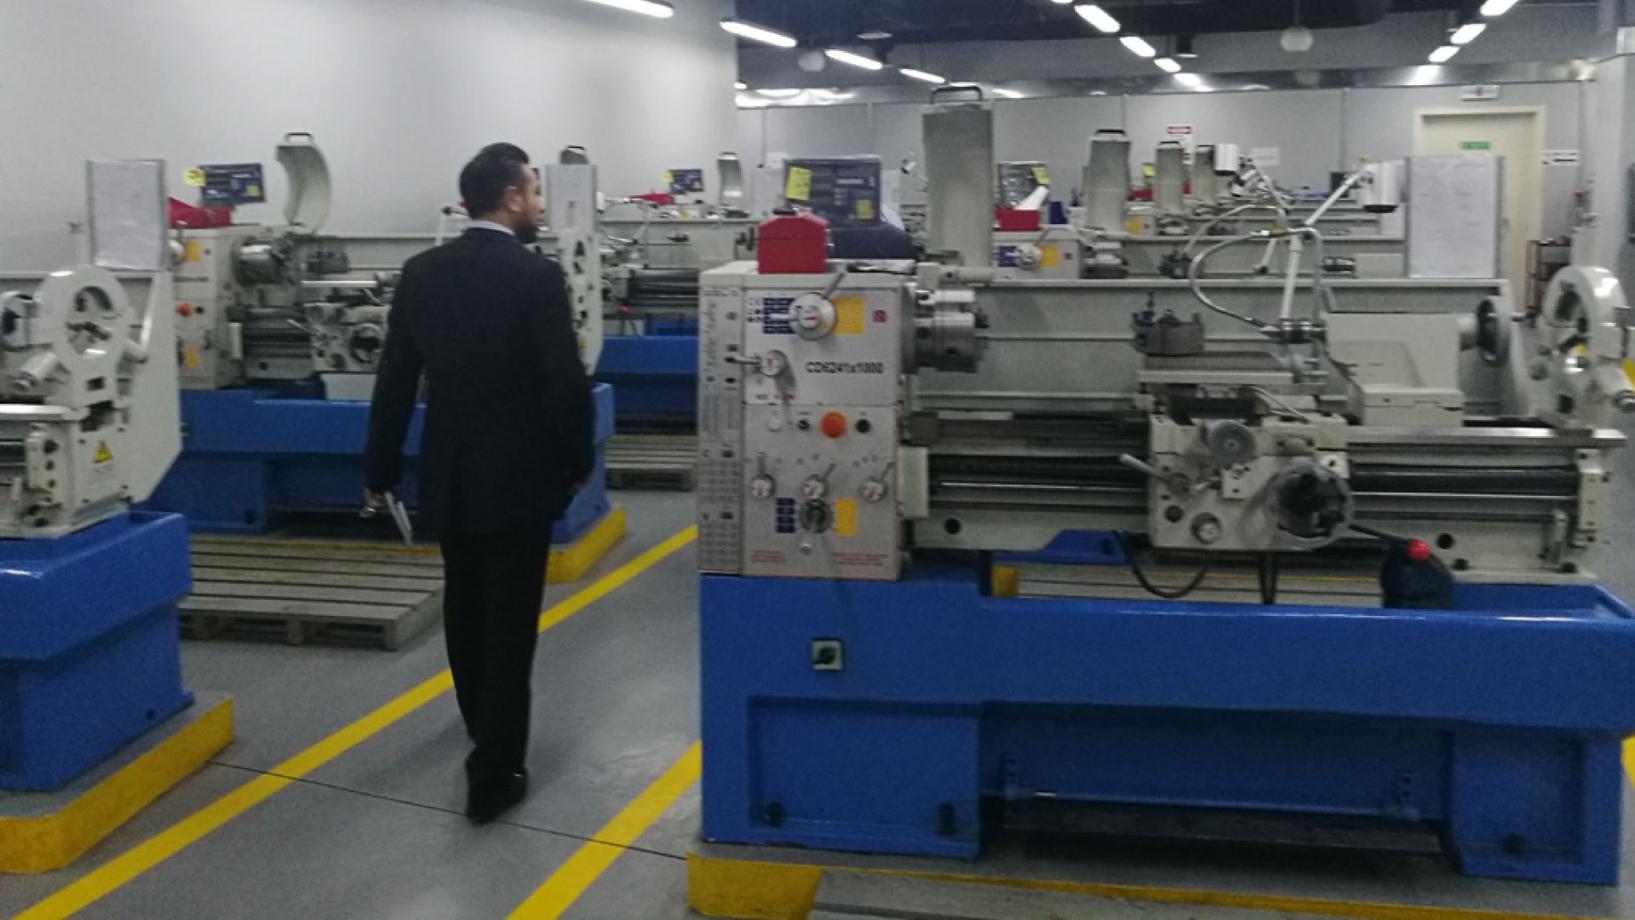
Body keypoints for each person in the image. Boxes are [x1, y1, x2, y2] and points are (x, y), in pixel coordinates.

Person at [364, 142, 595, 823]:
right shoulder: (536, 277)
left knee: (465, 609)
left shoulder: (422, 273)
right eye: (534, 190)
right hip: (520, 481)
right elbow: (564, 384)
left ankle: (477, 721)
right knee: (510, 624)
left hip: (451, 476)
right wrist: (578, 460)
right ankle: (493, 775)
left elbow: (395, 381)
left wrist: (381, 470)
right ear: (511, 199)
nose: (541, 203)